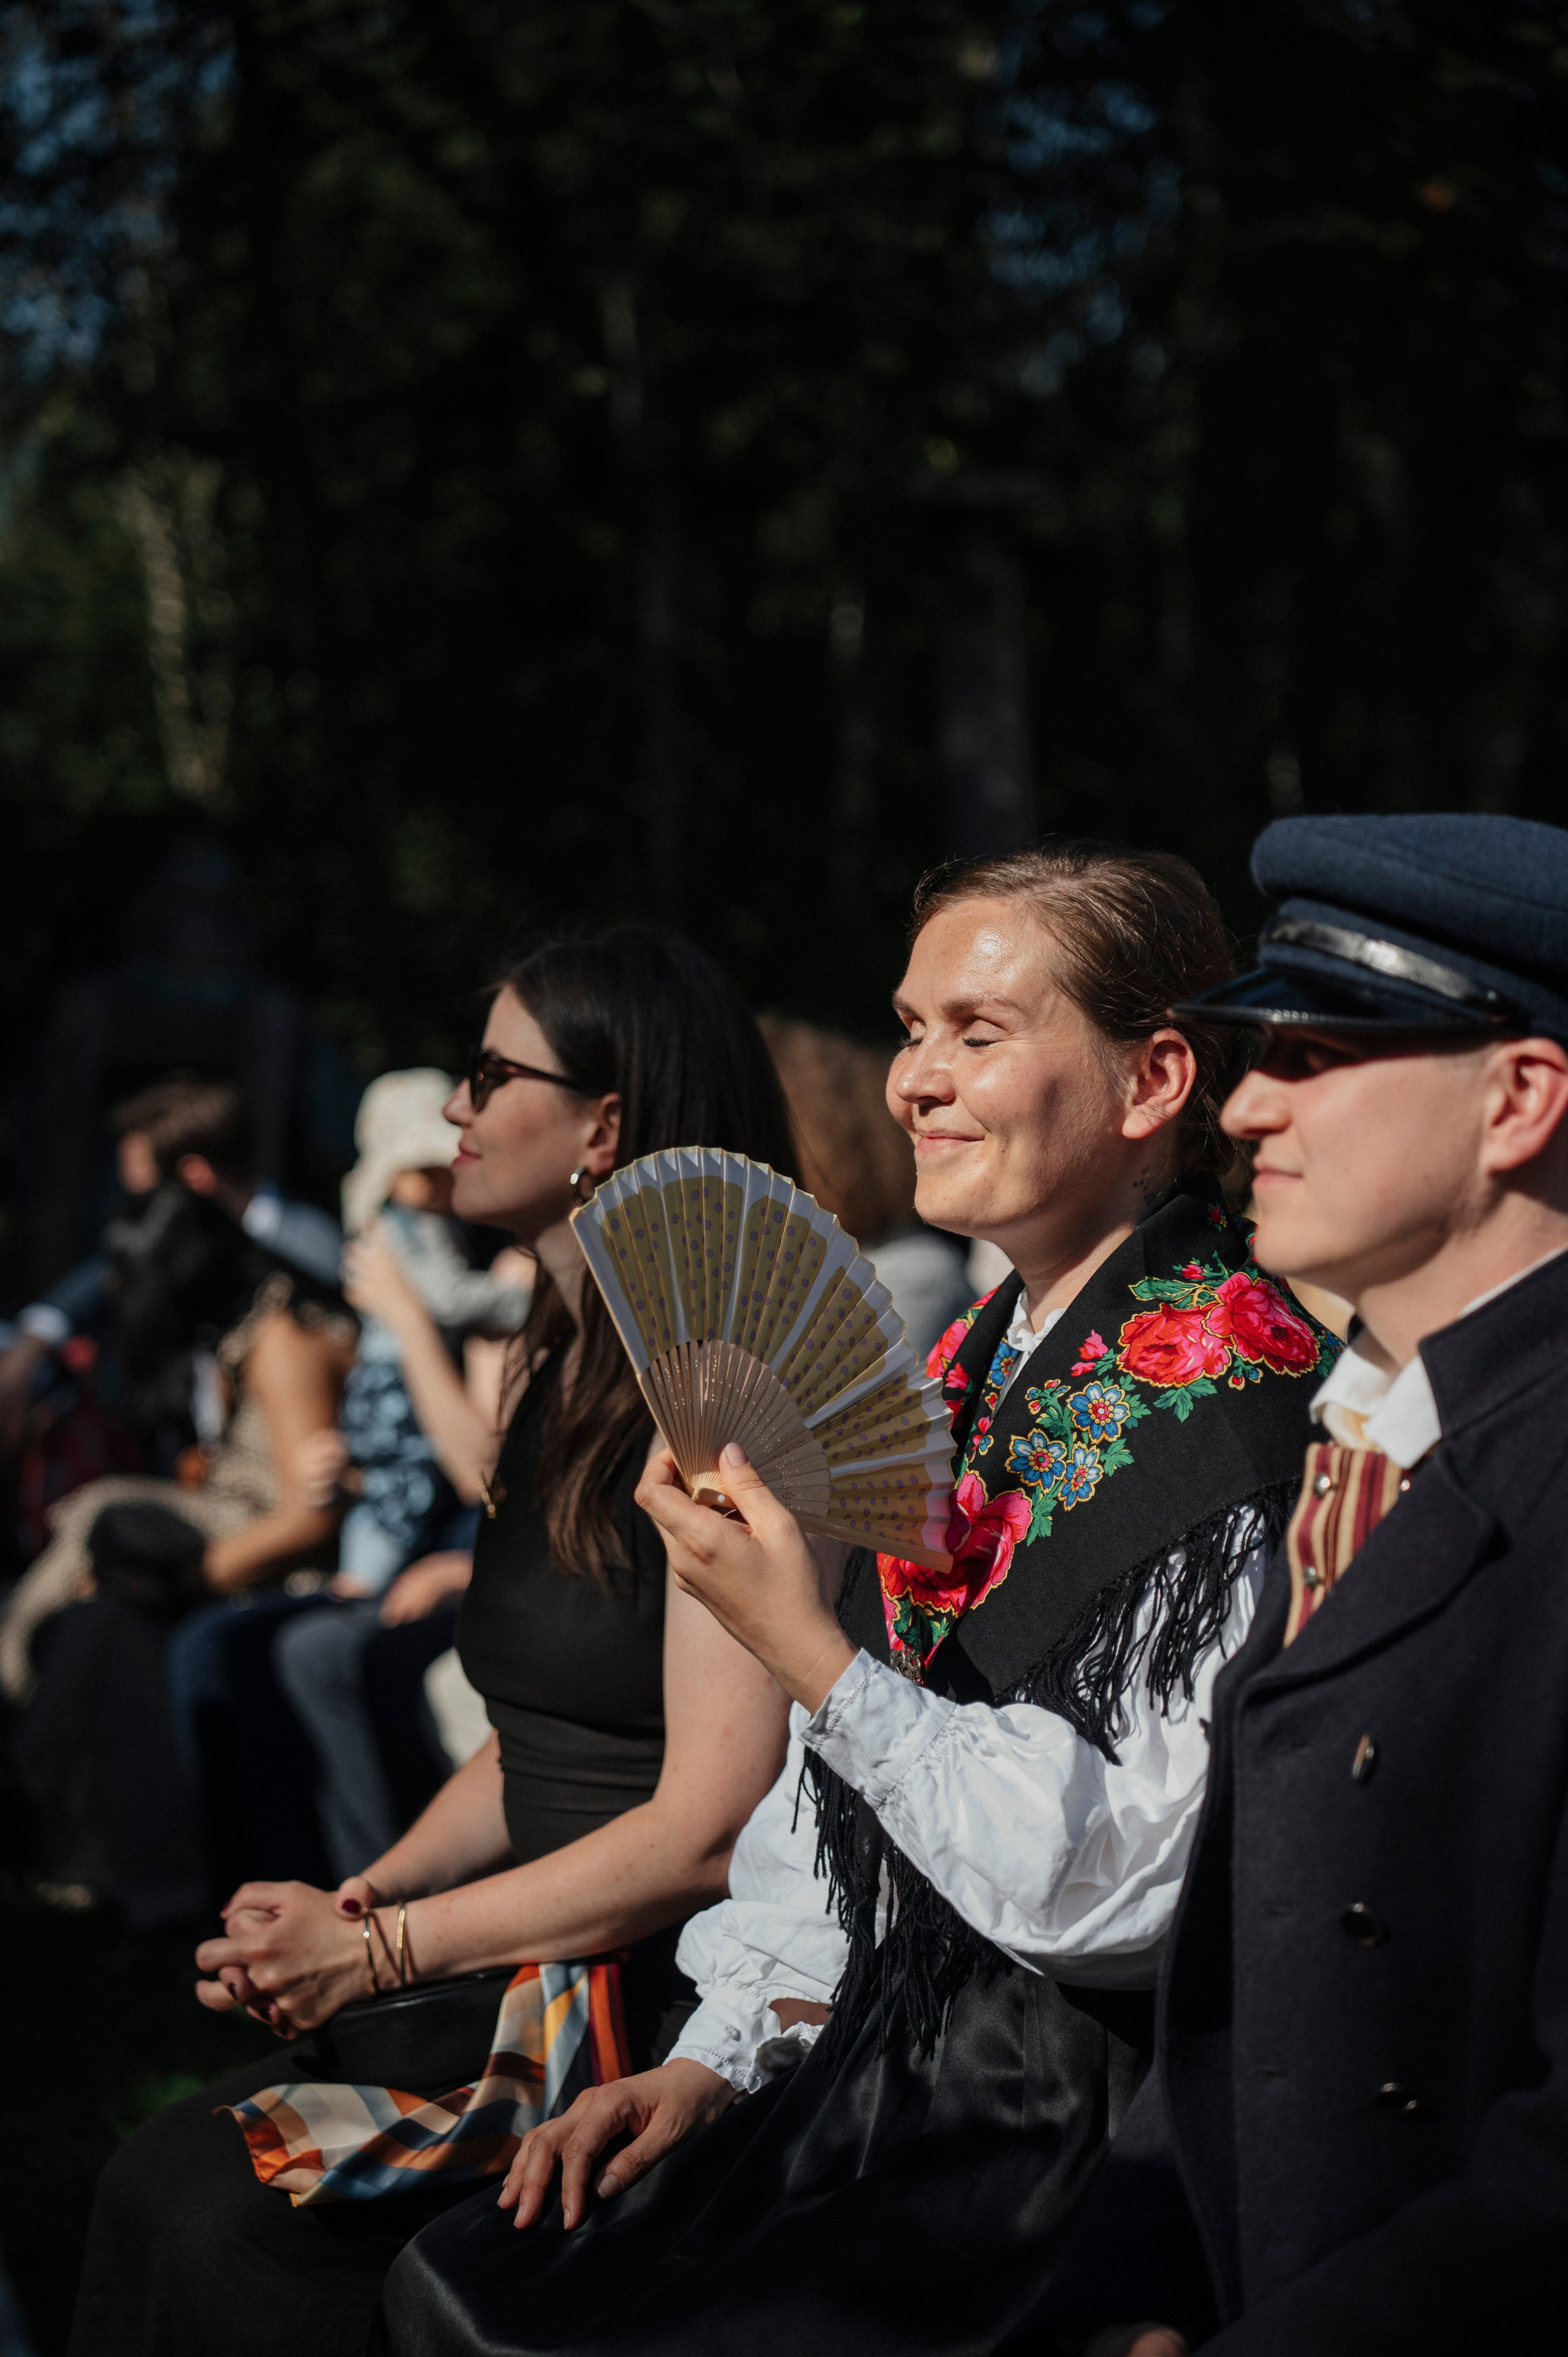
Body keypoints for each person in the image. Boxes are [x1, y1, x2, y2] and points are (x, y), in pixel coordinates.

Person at [375, 844, 1337, 2357]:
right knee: (463, 2276)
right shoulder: (955, 1367)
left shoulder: (1237, 1397)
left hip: (1071, 2125)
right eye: (907, 1027)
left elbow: (1114, 1891)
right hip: (884, 2058)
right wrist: (725, 2050)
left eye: (976, 1031)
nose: (914, 1081)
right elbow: (841, 1820)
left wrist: (807, 1648)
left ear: (1153, 1077)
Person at [67, 926, 799, 2357]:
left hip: (665, 1997)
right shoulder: (549, 1353)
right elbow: (530, 1729)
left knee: (219, 2221)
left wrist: (390, 1948)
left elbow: (711, 1828)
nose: (452, 1110)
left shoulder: (720, 1386)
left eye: (486, 1073)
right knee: (156, 2179)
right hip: (524, 1946)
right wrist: (359, 1902)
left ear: (604, 1121)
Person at [1042, 813, 1568, 2357]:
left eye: (1315, 1051)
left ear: (1518, 1097)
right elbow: (1234, 1994)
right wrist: (1130, 2282)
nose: (1246, 1103)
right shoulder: (1367, 1431)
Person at [1, 1160, 353, 1922]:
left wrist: (190, 1576)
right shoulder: (228, 1338)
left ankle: (9, 1664)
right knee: (95, 1622)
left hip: (273, 1550)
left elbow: (309, 1517)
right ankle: (102, 1861)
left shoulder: (281, 1339)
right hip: (227, 1526)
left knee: (103, 1517)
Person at [271, 1068, 531, 1879]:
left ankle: (378, 1891)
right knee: (256, 1648)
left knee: (323, 1652)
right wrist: (344, 1464)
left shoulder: (499, 1275)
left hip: (485, 1546)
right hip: (437, 1526)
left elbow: (479, 1472)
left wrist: (411, 1321)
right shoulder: (417, 1251)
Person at [0, 1076, 342, 1454]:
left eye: (142, 1199)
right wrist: (28, 1349)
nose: (135, 1219)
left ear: (195, 1177)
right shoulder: (176, 1252)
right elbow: (108, 1274)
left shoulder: (315, 1265)